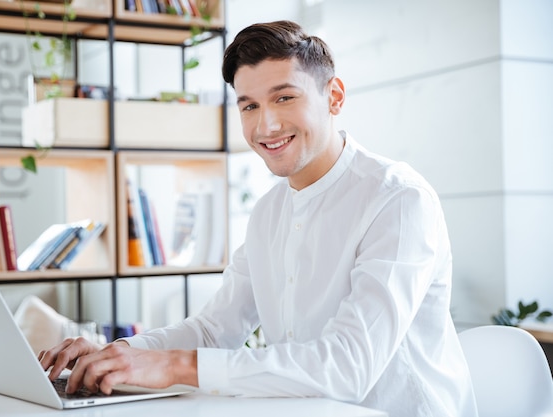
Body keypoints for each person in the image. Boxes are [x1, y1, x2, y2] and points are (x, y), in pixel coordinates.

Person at [39, 20, 478, 417]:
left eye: (284, 98)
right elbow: (214, 330)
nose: (265, 125)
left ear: (334, 97)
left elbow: (349, 367)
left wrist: (175, 365)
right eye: (248, 106)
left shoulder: (398, 198)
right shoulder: (270, 210)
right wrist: (118, 353)